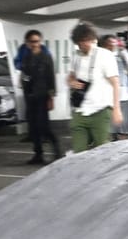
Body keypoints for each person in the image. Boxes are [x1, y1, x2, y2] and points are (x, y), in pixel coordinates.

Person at [65, 21, 122, 153]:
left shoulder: (105, 56)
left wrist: (116, 109)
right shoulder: (76, 57)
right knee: (78, 153)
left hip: (100, 111)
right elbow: (70, 76)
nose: (84, 44)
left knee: (100, 152)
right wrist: (71, 82)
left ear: (92, 39)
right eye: (80, 41)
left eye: (87, 40)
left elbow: (115, 83)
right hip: (80, 111)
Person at [16, 29, 60, 164]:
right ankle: (38, 154)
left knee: (44, 126)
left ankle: (57, 152)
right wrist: (22, 83)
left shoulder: (46, 57)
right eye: (31, 42)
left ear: (40, 41)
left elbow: (50, 77)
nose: (34, 44)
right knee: (33, 127)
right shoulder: (26, 58)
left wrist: (51, 97)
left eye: (36, 41)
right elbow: (24, 75)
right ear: (27, 43)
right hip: (29, 97)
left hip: (42, 96)